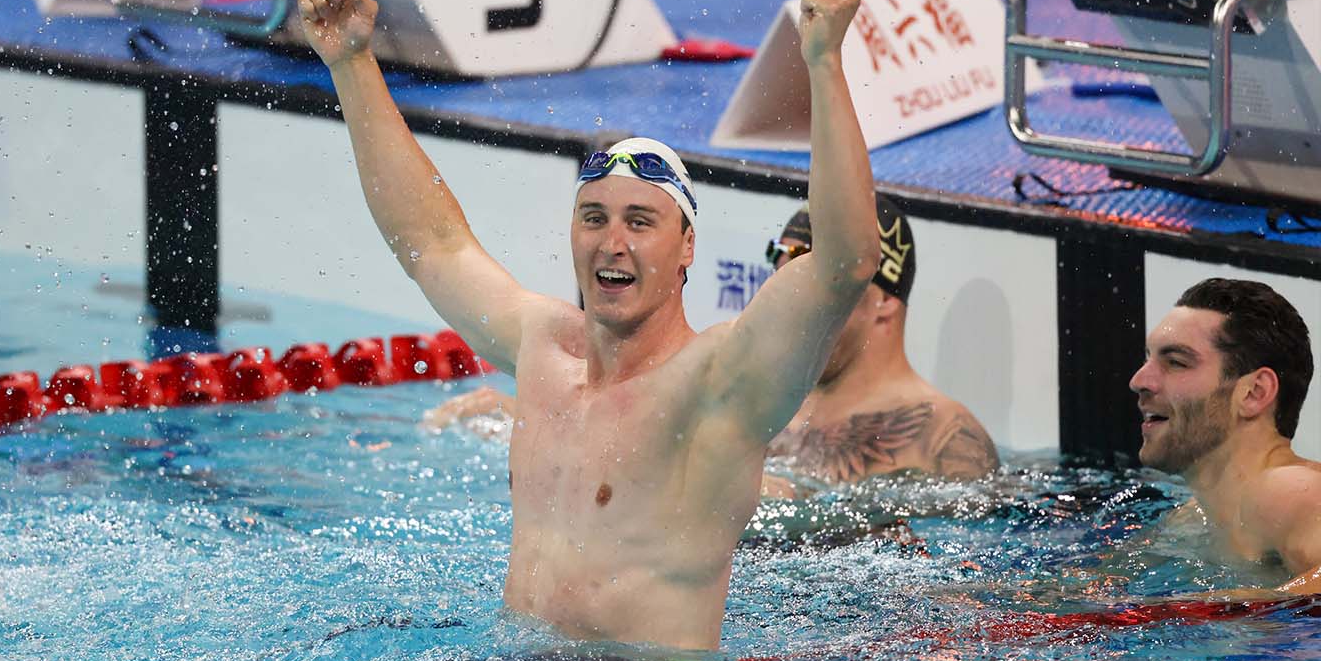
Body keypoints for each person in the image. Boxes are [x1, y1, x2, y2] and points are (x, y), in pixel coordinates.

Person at [298, 0, 880, 651]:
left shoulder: (719, 384)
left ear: (687, 247)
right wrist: (352, 64)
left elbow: (845, 263)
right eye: (594, 218)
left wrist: (824, 63)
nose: (613, 243)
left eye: (641, 222)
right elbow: (432, 243)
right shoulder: (544, 347)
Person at [426, 196, 999, 495]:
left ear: (884, 299)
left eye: (810, 271)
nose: (788, 289)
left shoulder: (943, 434)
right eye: (780, 264)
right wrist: (535, 415)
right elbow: (647, 440)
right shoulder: (761, 391)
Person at [761, 197, 997, 494]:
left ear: (884, 300)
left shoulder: (943, 437)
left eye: (815, 281)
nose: (788, 303)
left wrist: (789, 499)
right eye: (784, 283)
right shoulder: (764, 408)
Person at [1129, 278, 1320, 593]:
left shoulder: (1291, 491)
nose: (1139, 380)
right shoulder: (1189, 520)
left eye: (1176, 362)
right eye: (1148, 358)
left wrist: (1235, 607)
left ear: (1254, 393)